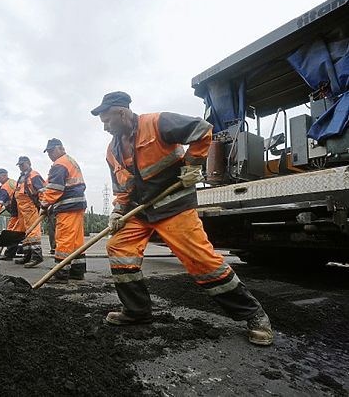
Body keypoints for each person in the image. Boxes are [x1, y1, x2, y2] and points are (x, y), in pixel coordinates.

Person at [91, 91, 273, 346]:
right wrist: (118, 211)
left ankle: (254, 315)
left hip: (173, 205)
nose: (105, 128)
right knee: (119, 247)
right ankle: (136, 311)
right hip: (141, 210)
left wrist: (191, 165)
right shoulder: (113, 150)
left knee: (200, 259)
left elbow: (202, 130)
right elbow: (121, 186)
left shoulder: (158, 123)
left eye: (107, 121)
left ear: (122, 113)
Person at [39, 138, 87, 282]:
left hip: (68, 206)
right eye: (48, 152)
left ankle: (61, 273)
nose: (50, 154)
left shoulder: (59, 164)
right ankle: (77, 271)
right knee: (76, 240)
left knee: (64, 239)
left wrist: (44, 205)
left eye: (52, 151)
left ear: (61, 148)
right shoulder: (70, 161)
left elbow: (54, 189)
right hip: (77, 204)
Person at [14, 156, 46, 267]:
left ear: (29, 163)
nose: (21, 167)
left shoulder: (34, 175)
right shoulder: (22, 177)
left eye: (22, 164)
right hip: (21, 210)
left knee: (33, 232)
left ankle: (37, 256)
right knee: (25, 232)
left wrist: (43, 205)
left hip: (30, 207)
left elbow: (42, 191)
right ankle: (27, 256)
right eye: (19, 165)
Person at [0, 168, 21, 260]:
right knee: (21, 232)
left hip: (17, 212)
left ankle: (9, 254)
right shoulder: (13, 182)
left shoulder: (5, 187)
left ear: (4, 175)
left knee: (11, 231)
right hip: (23, 210)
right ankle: (24, 251)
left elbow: (1, 201)